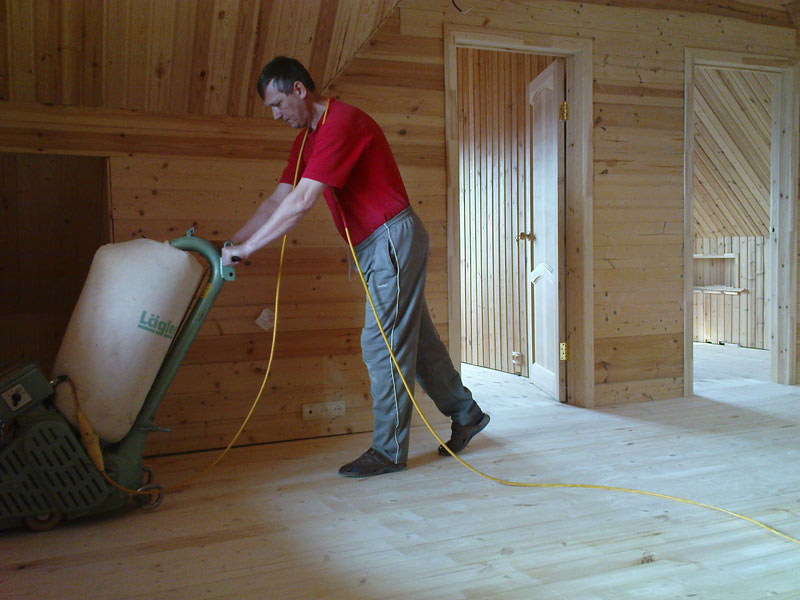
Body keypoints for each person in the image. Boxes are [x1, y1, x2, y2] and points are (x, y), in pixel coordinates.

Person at [221, 56, 489, 477]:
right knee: (417, 342)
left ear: (298, 90)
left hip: (391, 238)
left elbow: (302, 201)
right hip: (375, 246)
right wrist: (233, 243)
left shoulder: (342, 122)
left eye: (277, 104)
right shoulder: (306, 142)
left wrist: (250, 247)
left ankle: (388, 451)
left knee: (381, 346)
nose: (276, 115)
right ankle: (466, 413)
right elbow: (277, 200)